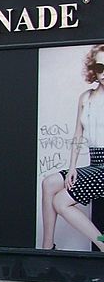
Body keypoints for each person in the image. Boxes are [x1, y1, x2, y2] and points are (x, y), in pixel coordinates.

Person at [40, 44, 104, 251]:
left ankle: (102, 244)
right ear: (93, 69)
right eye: (100, 67)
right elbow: (78, 134)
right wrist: (73, 167)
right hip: (96, 163)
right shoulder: (86, 98)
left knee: (61, 202)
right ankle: (47, 246)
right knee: (49, 183)